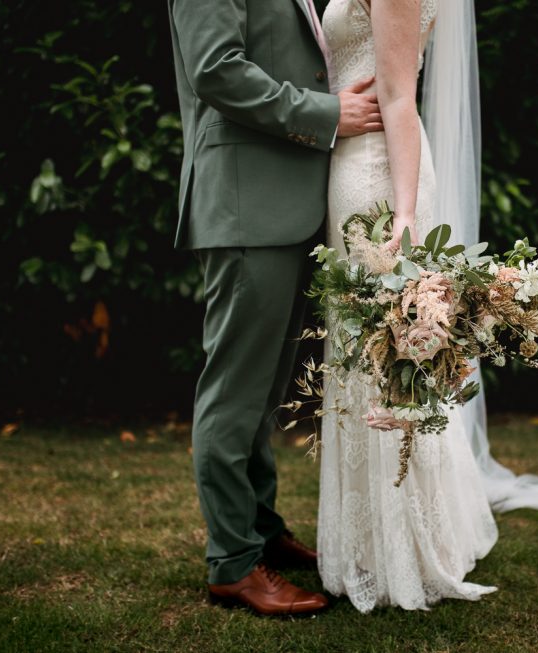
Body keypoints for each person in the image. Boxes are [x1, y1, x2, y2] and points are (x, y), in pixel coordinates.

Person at [166, 0, 384, 616]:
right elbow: (216, 69)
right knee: (235, 392)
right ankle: (233, 563)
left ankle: (259, 531)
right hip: (245, 202)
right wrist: (328, 113)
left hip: (280, 202)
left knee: (264, 394)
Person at [316, 0, 500, 613]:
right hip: (357, 164)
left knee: (383, 362)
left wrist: (404, 212)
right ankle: (372, 538)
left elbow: (398, 93)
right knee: (368, 357)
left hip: (377, 173)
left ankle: (407, 548)